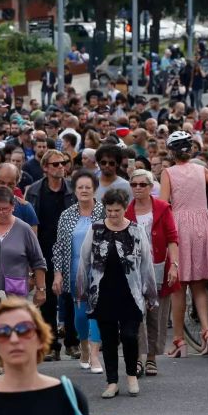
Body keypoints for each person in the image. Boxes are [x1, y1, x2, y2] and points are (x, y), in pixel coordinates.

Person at [159, 131, 208, 356]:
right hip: (203, 224)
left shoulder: (168, 173)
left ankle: (179, 342)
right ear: (190, 149)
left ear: (172, 152)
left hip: (180, 226)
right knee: (199, 284)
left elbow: (163, 207)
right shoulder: (201, 170)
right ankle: (207, 333)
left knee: (178, 287)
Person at [76, 189, 157, 399]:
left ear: (124, 208)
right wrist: (81, 291)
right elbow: (84, 262)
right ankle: (112, 381)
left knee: (130, 335)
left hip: (130, 293)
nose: (112, 214)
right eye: (109, 210)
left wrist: (150, 295)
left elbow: (147, 264)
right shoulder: (95, 230)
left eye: (117, 210)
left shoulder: (137, 231)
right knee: (109, 339)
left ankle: (131, 375)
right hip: (103, 292)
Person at [24, 149, 76, 362]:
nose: (60, 167)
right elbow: (30, 224)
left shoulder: (72, 189)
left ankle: (72, 343)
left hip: (69, 249)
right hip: (43, 250)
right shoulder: (35, 191)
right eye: (55, 164)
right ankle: (51, 344)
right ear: (45, 167)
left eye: (63, 163)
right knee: (46, 300)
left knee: (71, 297)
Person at [126, 169, 179, 376]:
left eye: (142, 184)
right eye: (134, 184)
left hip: (159, 266)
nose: (138, 188)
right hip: (134, 269)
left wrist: (174, 265)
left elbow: (173, 239)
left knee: (157, 314)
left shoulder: (163, 208)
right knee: (136, 314)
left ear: (150, 187)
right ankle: (138, 357)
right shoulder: (126, 210)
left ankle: (151, 358)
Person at [52, 170, 105, 373]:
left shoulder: (103, 212)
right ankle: (83, 346)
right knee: (81, 315)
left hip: (100, 271)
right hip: (74, 271)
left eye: (88, 187)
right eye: (80, 187)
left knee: (96, 313)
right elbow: (58, 247)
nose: (84, 191)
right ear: (74, 190)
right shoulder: (66, 215)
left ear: (94, 190)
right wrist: (58, 273)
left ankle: (94, 355)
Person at [0, 187, 47, 303]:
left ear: (13, 207)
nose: (1, 212)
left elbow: (38, 261)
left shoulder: (24, 229)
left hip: (16, 292)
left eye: (5, 209)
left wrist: (41, 289)